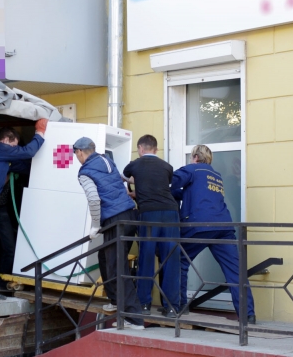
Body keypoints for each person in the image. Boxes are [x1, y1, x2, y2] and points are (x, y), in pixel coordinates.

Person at [170, 145, 256, 324]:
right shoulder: (216, 176)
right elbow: (197, 194)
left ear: (194, 156)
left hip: (199, 226)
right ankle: (248, 315)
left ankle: (179, 307)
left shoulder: (192, 169)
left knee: (180, 261)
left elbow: (169, 181)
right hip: (223, 226)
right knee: (235, 271)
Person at [0, 121, 47, 300]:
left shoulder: (3, 158)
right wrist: (40, 133)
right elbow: (27, 152)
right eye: (13, 146)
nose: (14, 150)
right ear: (6, 140)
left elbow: (27, 165)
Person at [74, 137, 144, 329]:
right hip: (130, 215)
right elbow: (120, 178)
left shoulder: (85, 172)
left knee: (117, 267)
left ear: (80, 152)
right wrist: (130, 180)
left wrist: (95, 225)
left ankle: (133, 318)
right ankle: (115, 300)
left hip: (115, 220)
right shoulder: (106, 160)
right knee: (105, 258)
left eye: (76, 154)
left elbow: (94, 200)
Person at [122, 135, 182, 317]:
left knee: (147, 257)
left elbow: (125, 178)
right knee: (170, 258)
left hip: (148, 214)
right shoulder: (167, 167)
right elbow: (160, 184)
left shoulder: (135, 164)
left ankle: (144, 304)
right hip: (171, 213)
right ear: (156, 149)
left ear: (141, 148)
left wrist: (134, 186)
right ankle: (171, 307)